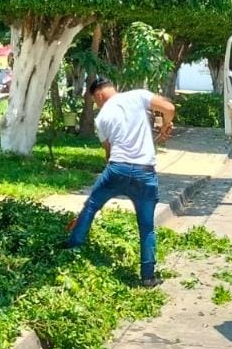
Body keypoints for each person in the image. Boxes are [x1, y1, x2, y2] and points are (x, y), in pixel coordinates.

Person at [65, 77, 176, 287]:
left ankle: (72, 252)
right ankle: (148, 277)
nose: (97, 104)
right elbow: (168, 108)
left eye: (95, 101)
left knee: (90, 208)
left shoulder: (102, 117)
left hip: (117, 169)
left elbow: (108, 153)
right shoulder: (138, 96)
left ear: (98, 95)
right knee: (147, 228)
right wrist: (165, 127)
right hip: (145, 173)